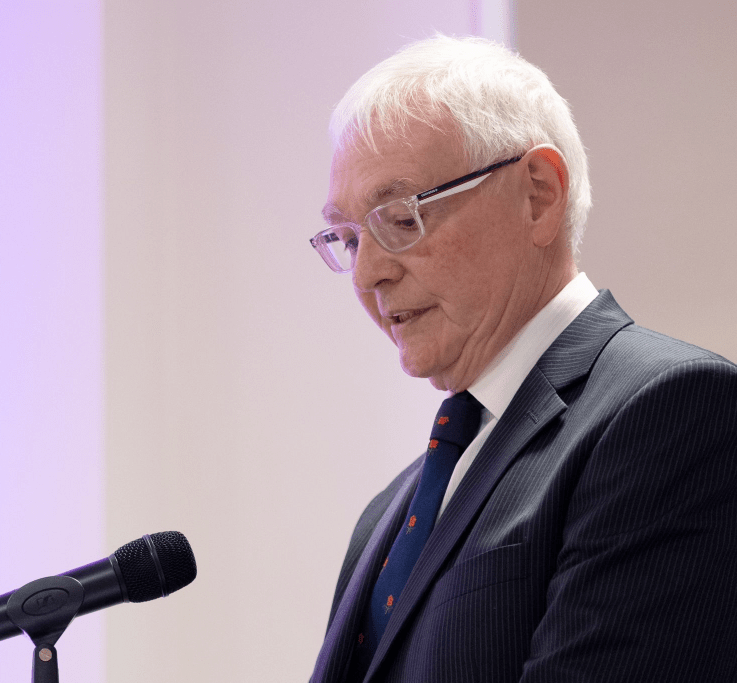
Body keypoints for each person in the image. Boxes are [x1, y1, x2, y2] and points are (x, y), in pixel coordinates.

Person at [307, 35, 737, 683]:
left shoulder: (672, 411)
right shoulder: (391, 508)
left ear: (538, 194)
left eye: (400, 218)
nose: (368, 274)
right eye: (347, 237)